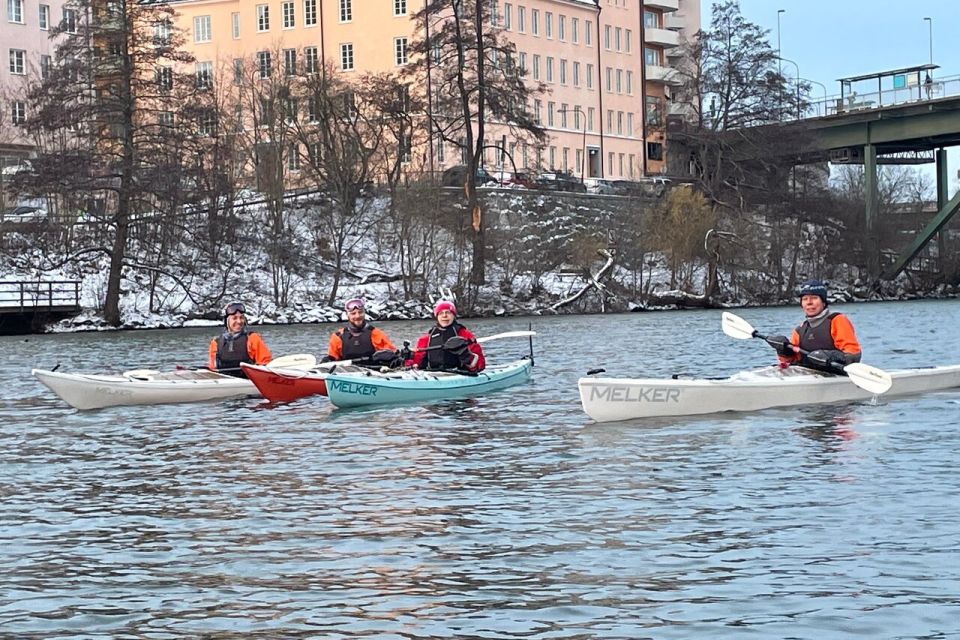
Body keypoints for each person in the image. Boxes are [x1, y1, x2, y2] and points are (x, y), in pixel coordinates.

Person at [767, 279, 862, 373]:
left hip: (834, 376)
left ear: (823, 302)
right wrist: (784, 351)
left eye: (814, 298)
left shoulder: (837, 320)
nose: (809, 302)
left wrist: (830, 356)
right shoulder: (799, 330)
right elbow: (791, 362)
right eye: (805, 299)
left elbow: (853, 356)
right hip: (807, 377)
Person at [409, 300, 485, 372]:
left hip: (460, 374)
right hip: (433, 374)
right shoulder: (426, 338)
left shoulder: (465, 335)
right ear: (437, 317)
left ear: (454, 316)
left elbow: (480, 365)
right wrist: (408, 359)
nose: (444, 316)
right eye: (441, 313)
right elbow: (416, 363)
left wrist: (467, 356)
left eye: (448, 313)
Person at [323, 298, 397, 365]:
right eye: (353, 313)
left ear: (364, 313)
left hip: (373, 373)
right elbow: (332, 358)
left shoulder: (375, 333)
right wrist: (327, 360)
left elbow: (392, 353)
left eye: (360, 312)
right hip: (347, 373)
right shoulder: (338, 337)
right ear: (347, 315)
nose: (357, 316)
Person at [208, 302, 272, 377]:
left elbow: (266, 363)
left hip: (249, 381)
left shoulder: (253, 338)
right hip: (224, 382)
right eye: (234, 318)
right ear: (227, 321)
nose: (239, 321)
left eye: (241, 317)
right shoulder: (216, 342)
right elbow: (212, 369)